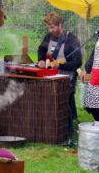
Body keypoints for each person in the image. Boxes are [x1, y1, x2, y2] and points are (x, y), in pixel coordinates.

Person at [37, 12, 82, 146]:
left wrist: (61, 64)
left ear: (60, 25)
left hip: (67, 77)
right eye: (49, 28)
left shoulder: (72, 39)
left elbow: (77, 62)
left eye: (52, 28)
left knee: (64, 103)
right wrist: (40, 60)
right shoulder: (48, 37)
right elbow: (41, 49)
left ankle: (67, 131)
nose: (50, 31)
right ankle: (48, 128)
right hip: (50, 74)